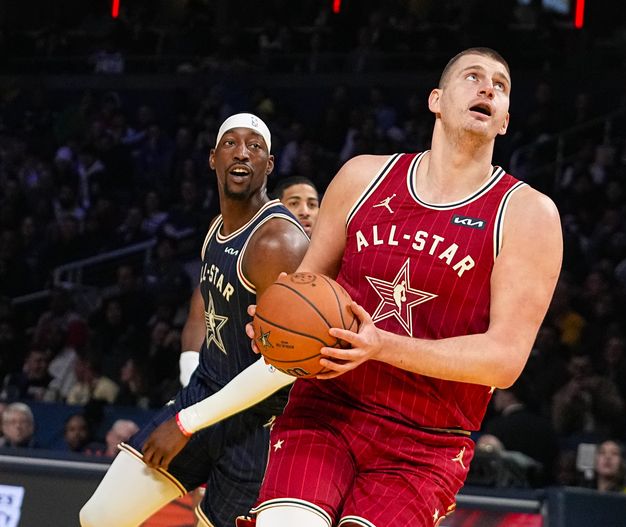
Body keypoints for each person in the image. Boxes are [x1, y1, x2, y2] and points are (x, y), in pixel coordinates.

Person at [147, 47, 563, 527]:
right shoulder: (363, 176)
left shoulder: (528, 214)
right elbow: (307, 285)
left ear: (505, 120)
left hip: (425, 441)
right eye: (472, 77)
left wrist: (380, 345)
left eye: (501, 84)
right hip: (325, 408)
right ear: (436, 100)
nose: (488, 87)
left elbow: (504, 360)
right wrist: (274, 317)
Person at [79, 113, 309, 527]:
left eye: (255, 146)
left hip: (257, 425)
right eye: (231, 143)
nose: (242, 152)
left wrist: (188, 421)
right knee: (100, 517)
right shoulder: (217, 228)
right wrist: (191, 385)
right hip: (204, 397)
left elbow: (284, 365)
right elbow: (201, 310)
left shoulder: (279, 242)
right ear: (212, 159)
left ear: (269, 165)